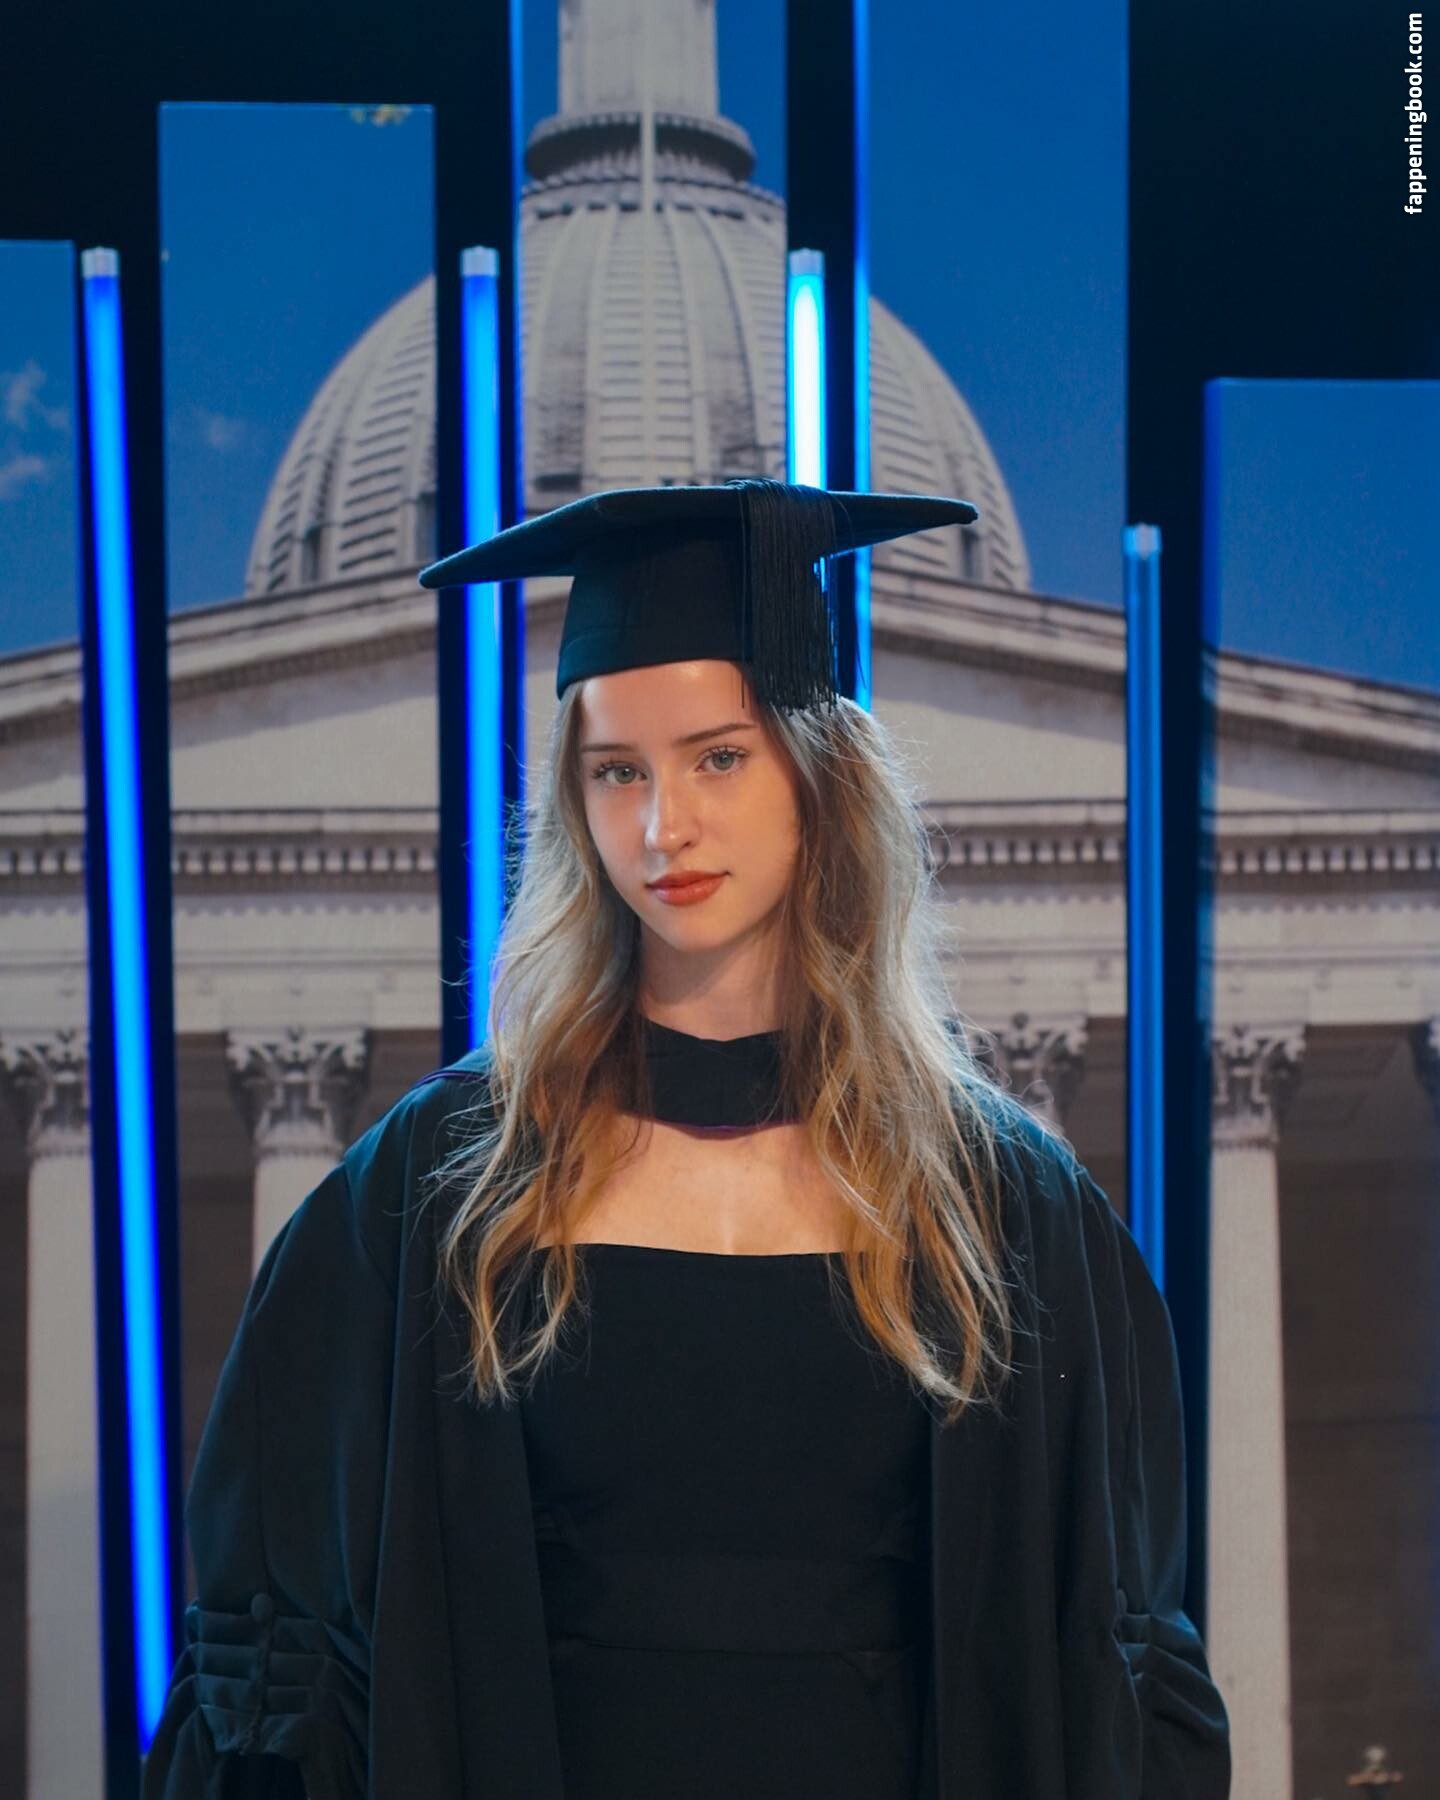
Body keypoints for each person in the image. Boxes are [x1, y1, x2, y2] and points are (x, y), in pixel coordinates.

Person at [141, 478, 1231, 1798]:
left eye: (719, 756)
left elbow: (1103, 1659)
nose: (664, 827)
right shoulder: (437, 1185)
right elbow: (284, 1645)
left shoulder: (1005, 1203)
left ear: (818, 774)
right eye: (618, 771)